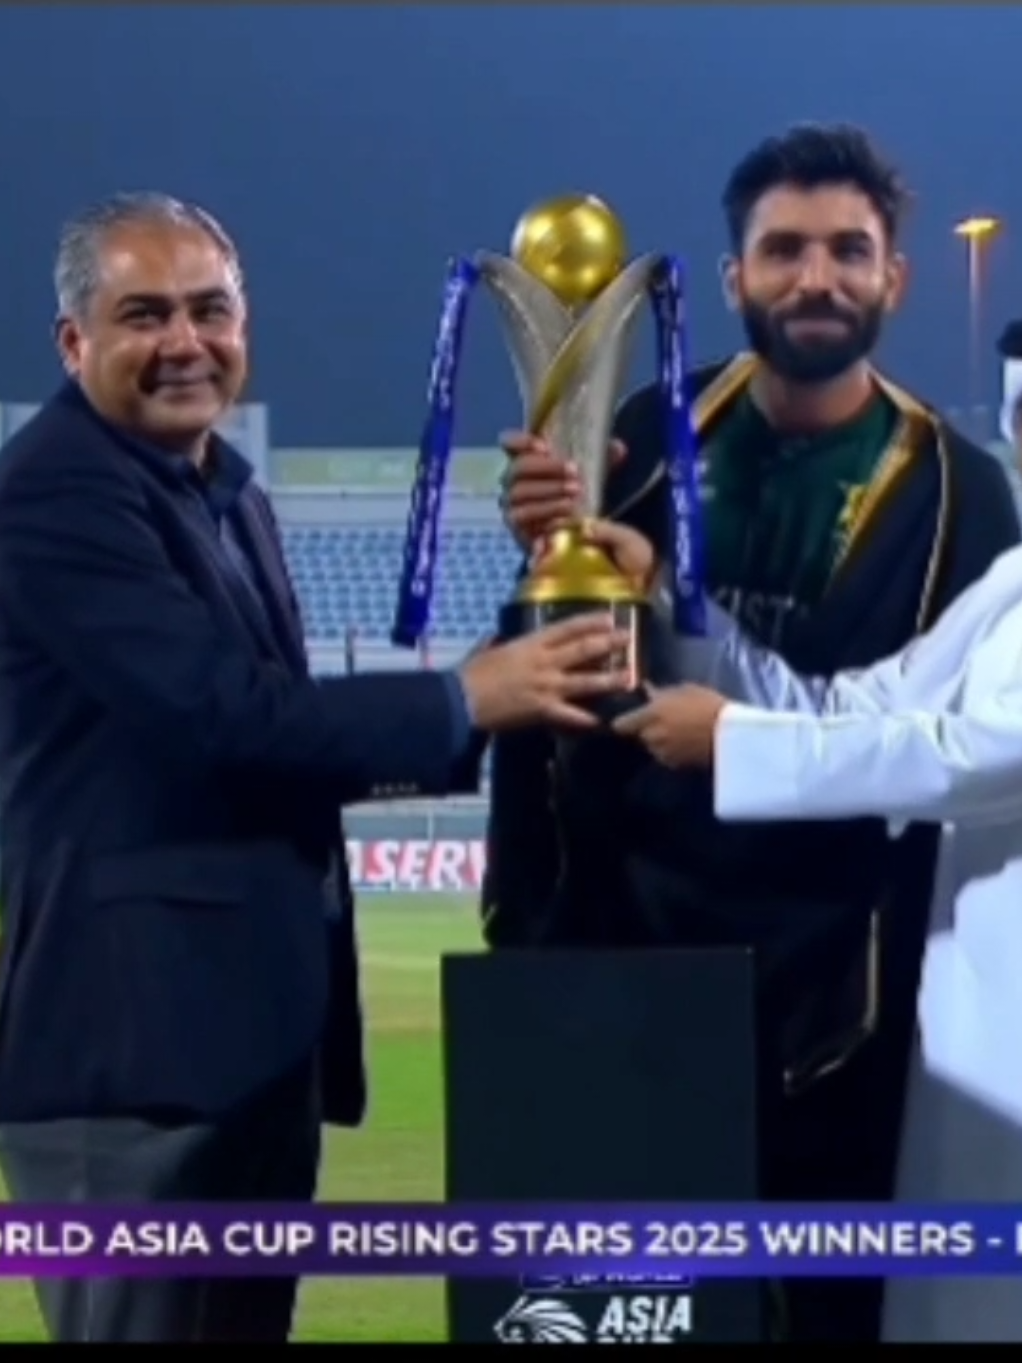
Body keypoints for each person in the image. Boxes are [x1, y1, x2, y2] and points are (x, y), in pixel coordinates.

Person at [0, 192, 630, 1346]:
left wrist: (530, 618)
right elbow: (221, 714)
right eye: (146, 314)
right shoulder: (53, 492)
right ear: (73, 341)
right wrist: (461, 697)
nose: (186, 342)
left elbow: (281, 741)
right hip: (134, 1064)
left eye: (211, 310)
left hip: (247, 1049)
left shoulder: (220, 492)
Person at [486, 123, 1022, 1342]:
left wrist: (730, 735)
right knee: (625, 1309)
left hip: (843, 979)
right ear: (733, 280)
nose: (814, 277)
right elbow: (567, 652)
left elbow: (918, 736)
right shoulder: (638, 429)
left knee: (830, 1308)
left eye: (847, 249)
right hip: (631, 945)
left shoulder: (959, 489)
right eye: (782, 250)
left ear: (894, 276)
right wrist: (555, 548)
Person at [608, 538, 1022, 1345]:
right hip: (977, 1022)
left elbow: (983, 755)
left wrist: (739, 743)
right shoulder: (1015, 575)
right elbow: (854, 707)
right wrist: (668, 596)